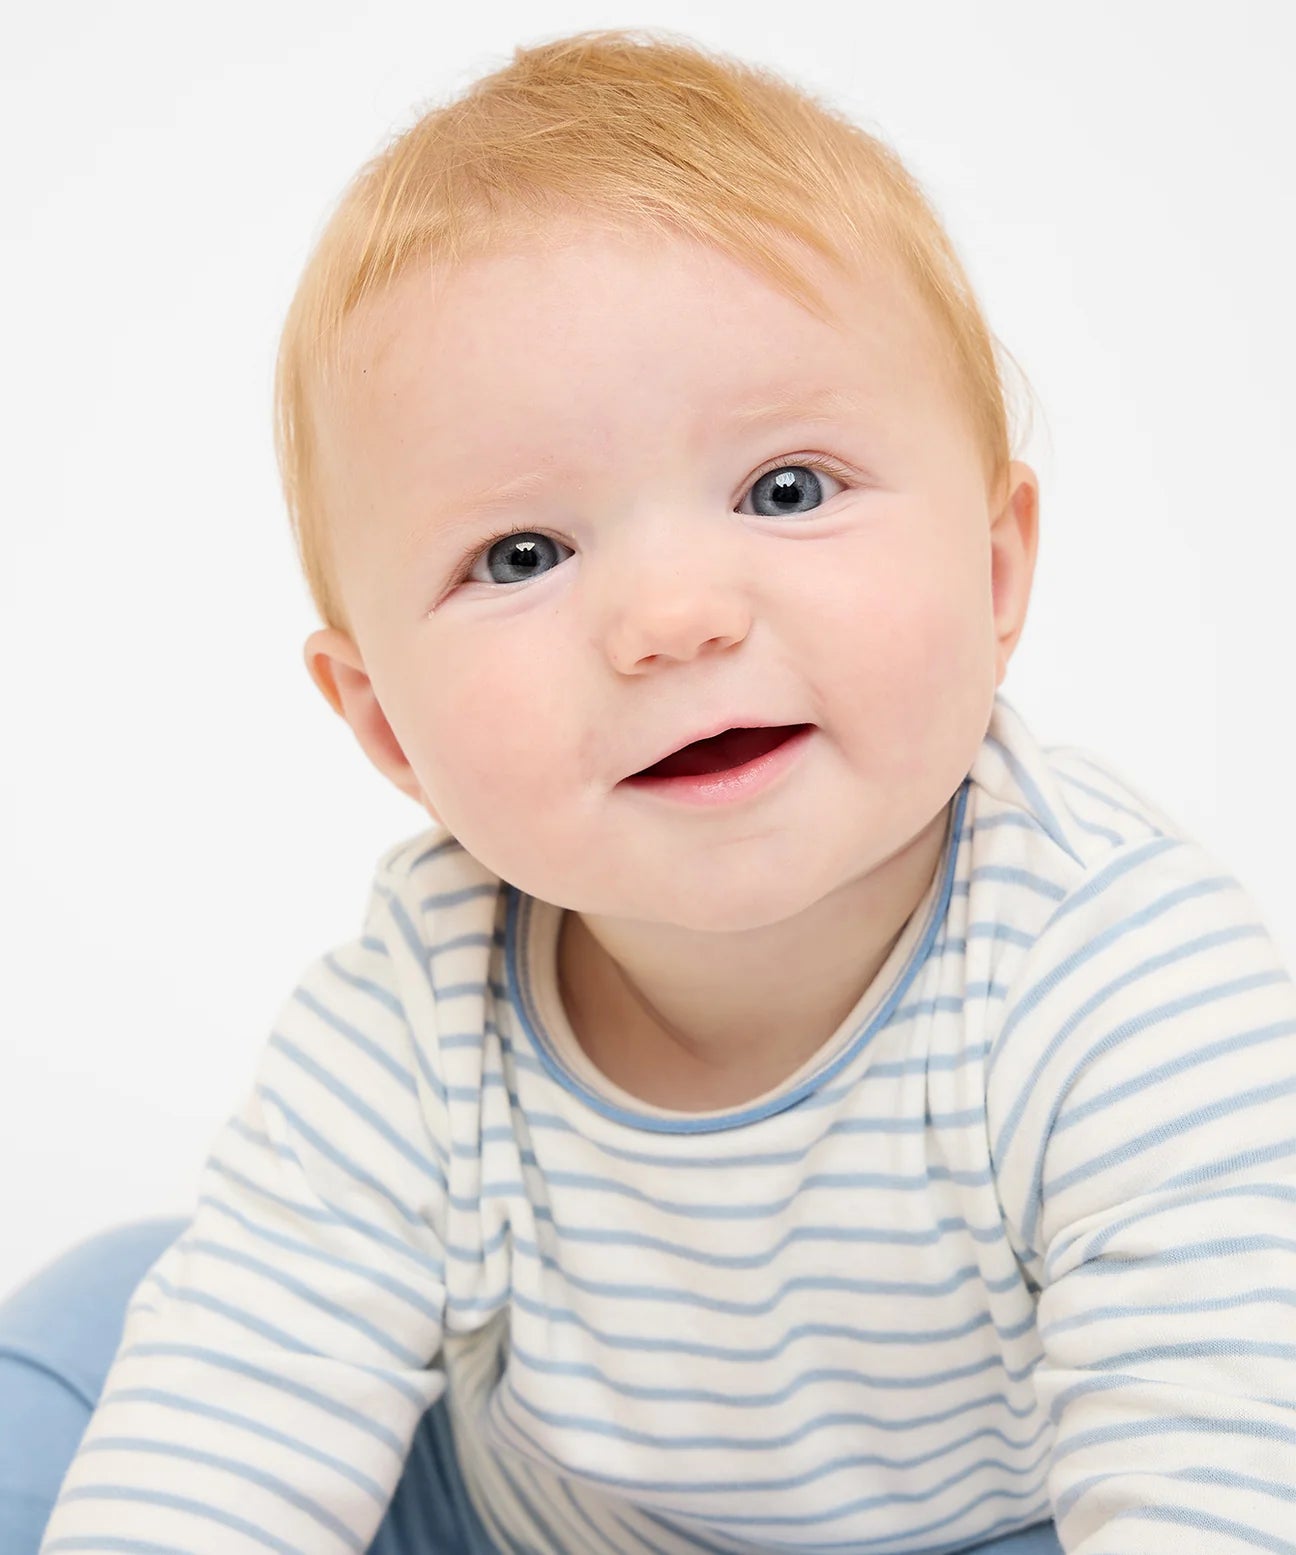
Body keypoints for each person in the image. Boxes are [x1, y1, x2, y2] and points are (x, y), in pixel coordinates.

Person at [14, 26, 1296, 1555]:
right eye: (523, 556)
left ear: (997, 565)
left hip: (989, 1527)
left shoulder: (1125, 979)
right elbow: (245, 1383)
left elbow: (1213, 1476)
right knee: (117, 1315)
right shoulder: (423, 996)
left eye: (788, 489)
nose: (676, 616)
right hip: (526, 1526)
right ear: (387, 728)